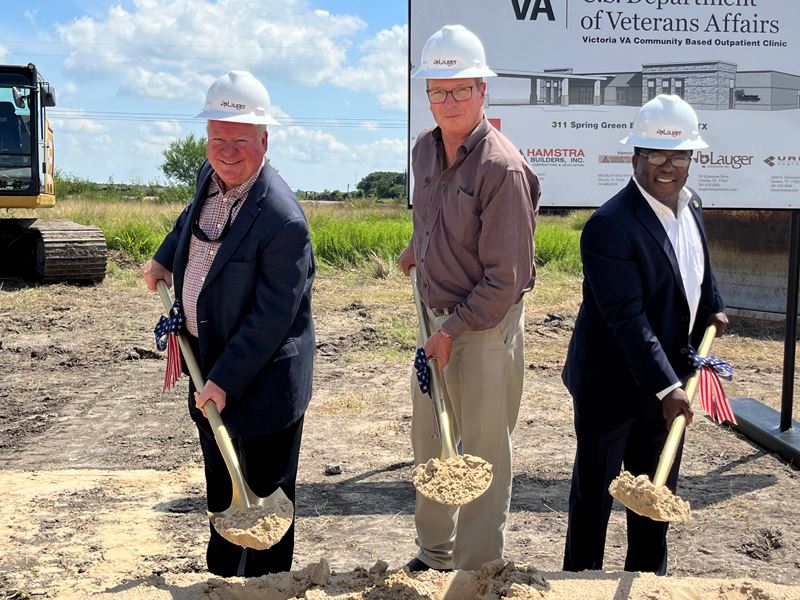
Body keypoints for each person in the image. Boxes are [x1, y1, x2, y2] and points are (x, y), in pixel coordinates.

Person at [140, 70, 315, 577]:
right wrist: (164, 257)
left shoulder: (283, 220)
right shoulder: (209, 176)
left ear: (264, 139)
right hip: (208, 363)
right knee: (221, 484)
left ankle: (266, 585)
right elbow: (187, 221)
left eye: (241, 139)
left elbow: (271, 319)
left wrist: (223, 380)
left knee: (263, 497)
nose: (228, 150)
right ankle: (219, 579)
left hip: (260, 381)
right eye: (218, 138)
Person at [561, 94, 728, 575]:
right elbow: (626, 319)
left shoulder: (692, 205)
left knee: (656, 496)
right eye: (656, 155)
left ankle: (647, 581)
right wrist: (669, 387)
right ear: (635, 156)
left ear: (692, 157)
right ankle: (581, 581)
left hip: (666, 381)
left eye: (678, 155)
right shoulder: (609, 227)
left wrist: (712, 305)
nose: (667, 166)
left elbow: (695, 269)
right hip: (611, 386)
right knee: (595, 495)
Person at [397, 24, 539, 572]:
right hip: (435, 319)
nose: (448, 99)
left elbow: (506, 278)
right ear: (426, 94)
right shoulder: (424, 152)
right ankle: (435, 553)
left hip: (483, 328)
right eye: (438, 89)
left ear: (483, 91)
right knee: (431, 434)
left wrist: (451, 332)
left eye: (460, 89)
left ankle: (478, 568)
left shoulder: (500, 168)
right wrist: (417, 246)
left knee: (481, 449)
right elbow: (435, 219)